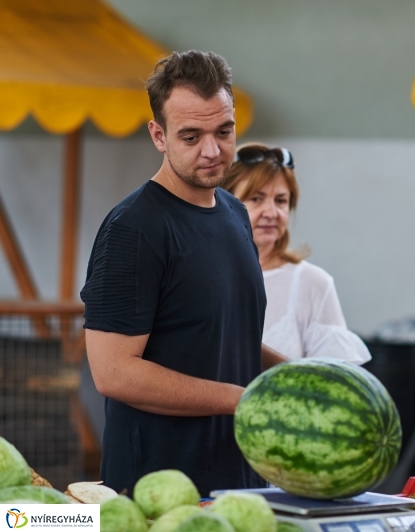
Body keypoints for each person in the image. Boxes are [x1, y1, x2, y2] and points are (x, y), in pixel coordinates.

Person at [80, 51, 266, 496]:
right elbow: (113, 373)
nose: (212, 150)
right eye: (191, 136)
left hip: (240, 480)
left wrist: (298, 375)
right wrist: (244, 401)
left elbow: (221, 333)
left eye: (224, 131)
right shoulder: (133, 229)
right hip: (159, 492)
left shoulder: (235, 213)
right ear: (158, 135)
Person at [222, 143, 371, 364]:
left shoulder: (313, 283)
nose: (272, 213)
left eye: (281, 200)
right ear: (225, 202)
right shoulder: (195, 274)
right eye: (256, 199)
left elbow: (333, 381)